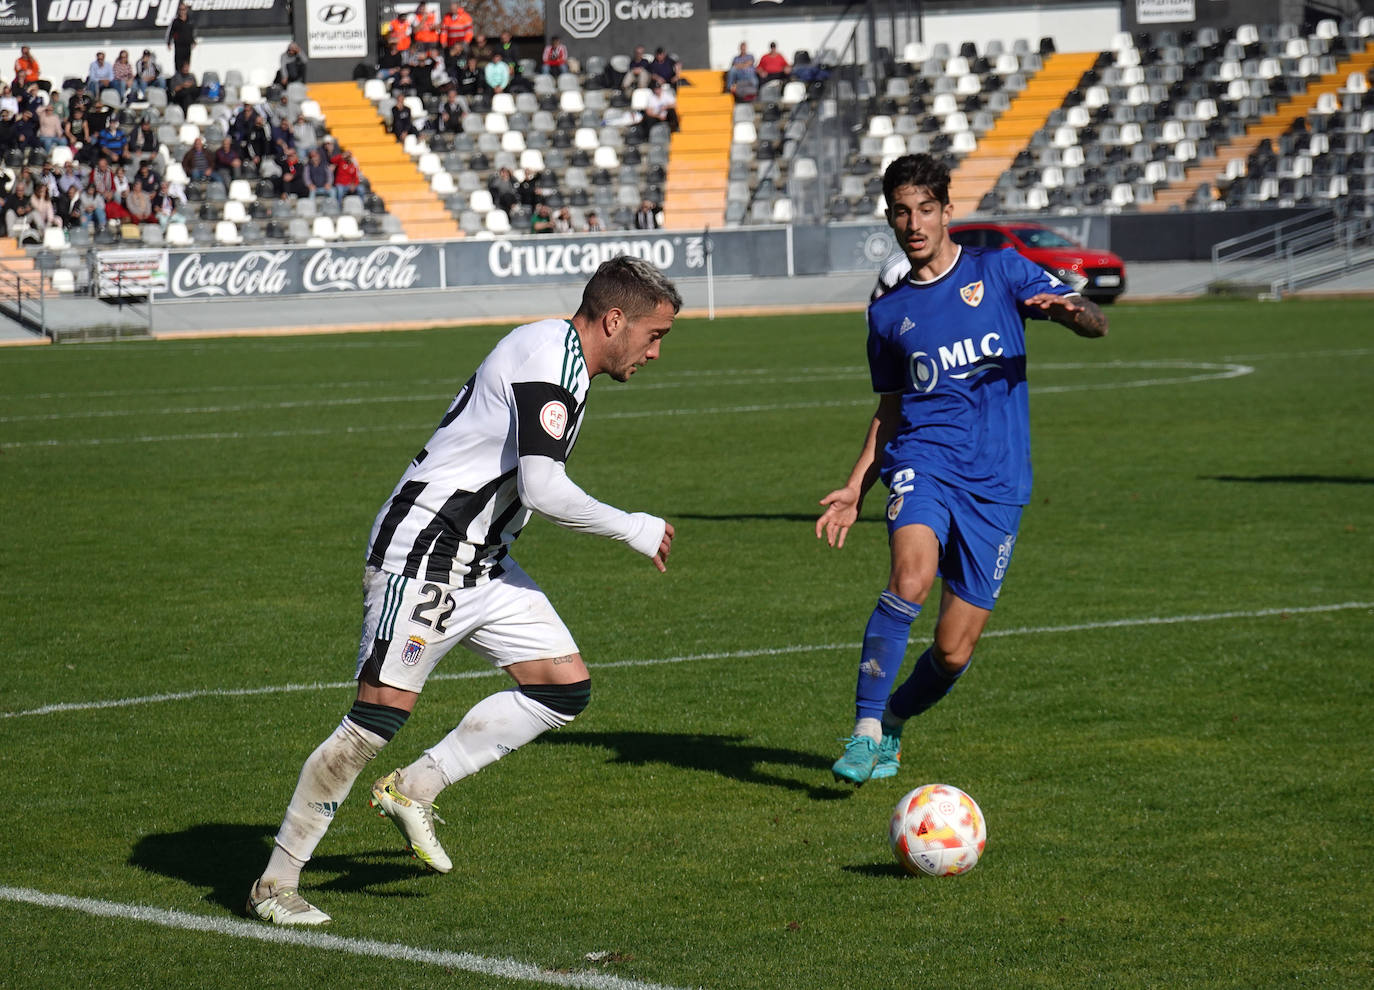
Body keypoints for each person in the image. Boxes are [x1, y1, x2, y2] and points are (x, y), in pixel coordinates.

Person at [246, 256, 681, 926]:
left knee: (562, 688)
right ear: (614, 320)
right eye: (654, 335)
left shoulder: (564, 359)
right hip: (427, 553)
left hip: (482, 559)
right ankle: (275, 884)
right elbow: (541, 486)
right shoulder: (548, 356)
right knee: (374, 721)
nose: (655, 352)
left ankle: (415, 788)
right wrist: (635, 528)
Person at [815, 154, 1108, 786]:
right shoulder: (887, 315)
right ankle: (864, 732)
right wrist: (858, 482)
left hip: (999, 482)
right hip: (923, 462)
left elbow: (1093, 320)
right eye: (901, 211)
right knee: (911, 577)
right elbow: (891, 409)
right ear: (890, 218)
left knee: (952, 651)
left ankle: (892, 720)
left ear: (948, 212)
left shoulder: (999, 271)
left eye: (925, 209)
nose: (914, 223)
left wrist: (1070, 312)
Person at [166, 3, 196, 72]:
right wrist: (169, 43)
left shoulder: (190, 21)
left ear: (186, 10)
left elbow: (191, 33)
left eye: (183, 9)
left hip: (187, 46)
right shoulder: (175, 21)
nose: (182, 11)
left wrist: (193, 41)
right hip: (179, 46)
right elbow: (171, 32)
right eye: (180, 9)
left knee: (186, 64)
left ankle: (186, 78)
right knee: (178, 64)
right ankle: (178, 79)